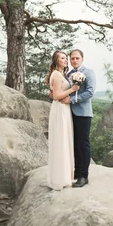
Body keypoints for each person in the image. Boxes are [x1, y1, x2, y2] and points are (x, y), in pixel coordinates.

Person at [45, 50, 80, 190]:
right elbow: (56, 96)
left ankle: (63, 175)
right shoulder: (57, 75)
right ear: (56, 60)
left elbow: (53, 93)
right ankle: (61, 178)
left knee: (63, 141)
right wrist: (73, 89)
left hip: (62, 109)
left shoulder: (59, 74)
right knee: (61, 141)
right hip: (60, 109)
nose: (66, 60)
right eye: (63, 58)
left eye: (66, 58)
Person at [66, 49, 96, 188]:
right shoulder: (69, 74)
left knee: (83, 144)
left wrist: (72, 100)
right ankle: (77, 172)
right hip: (70, 113)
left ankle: (84, 176)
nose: (75, 60)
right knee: (75, 144)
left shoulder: (88, 72)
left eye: (77, 58)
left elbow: (90, 92)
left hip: (83, 113)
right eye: (72, 58)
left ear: (82, 59)